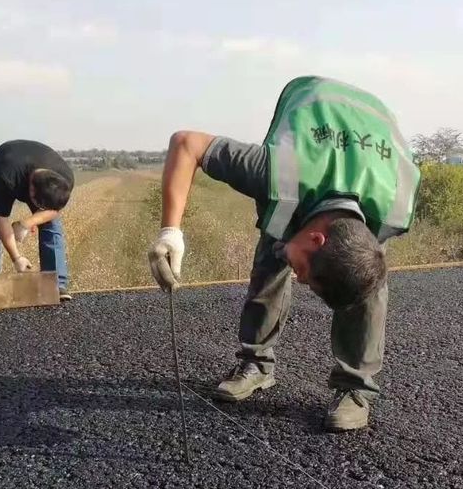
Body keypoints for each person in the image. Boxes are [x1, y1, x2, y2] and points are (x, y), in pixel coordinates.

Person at [148, 75, 421, 431]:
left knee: (364, 276)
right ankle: (256, 363)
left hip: (374, 145)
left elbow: (349, 262)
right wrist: (170, 232)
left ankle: (357, 389)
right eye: (304, 272)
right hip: (312, 103)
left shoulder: (392, 206)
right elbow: (186, 143)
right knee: (274, 252)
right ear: (315, 240)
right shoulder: (276, 172)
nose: (298, 278)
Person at [0, 139, 74, 304]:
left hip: (32, 170)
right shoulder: (6, 178)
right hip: (1, 168)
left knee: (51, 226)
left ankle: (57, 285)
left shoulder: (65, 179)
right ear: (30, 191)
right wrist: (17, 258)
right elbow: (0, 218)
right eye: (40, 205)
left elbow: (54, 210)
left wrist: (26, 223)